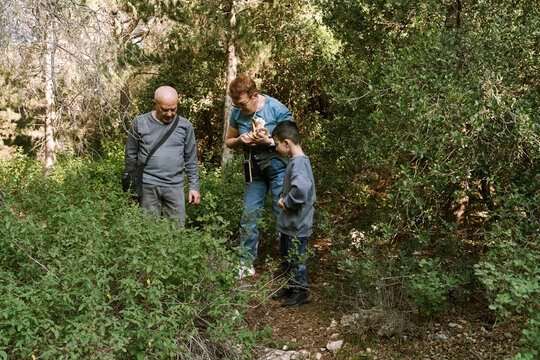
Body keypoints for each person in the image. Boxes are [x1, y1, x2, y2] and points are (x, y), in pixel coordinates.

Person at [225, 75, 292, 278]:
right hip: (253, 169)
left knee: (282, 215)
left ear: (255, 96)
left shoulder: (277, 109)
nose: (239, 109)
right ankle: (246, 264)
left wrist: (269, 141)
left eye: (243, 104)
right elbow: (229, 141)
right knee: (249, 216)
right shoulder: (237, 113)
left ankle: (289, 266)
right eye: (236, 105)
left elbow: (292, 144)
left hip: (278, 168)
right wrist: (240, 140)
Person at [125, 86, 200, 227]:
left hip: (175, 186)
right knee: (147, 230)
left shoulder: (185, 126)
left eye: (173, 109)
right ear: (154, 104)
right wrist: (132, 189)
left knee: (176, 230)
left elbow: (191, 158)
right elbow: (130, 157)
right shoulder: (139, 123)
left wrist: (194, 187)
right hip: (147, 185)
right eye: (164, 110)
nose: (170, 114)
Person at [271, 120, 316, 308]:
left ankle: (300, 291)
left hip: (297, 225)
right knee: (287, 257)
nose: (275, 148)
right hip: (289, 226)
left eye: (277, 144)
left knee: (296, 259)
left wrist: (286, 202)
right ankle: (291, 286)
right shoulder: (295, 161)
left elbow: (301, 189)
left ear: (286, 143)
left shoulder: (299, 164)